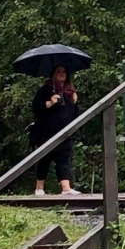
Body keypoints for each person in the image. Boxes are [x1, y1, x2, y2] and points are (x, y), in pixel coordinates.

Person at [32, 65, 82, 195]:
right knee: (44, 159)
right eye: (58, 71)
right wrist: (49, 103)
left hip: (66, 133)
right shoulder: (46, 90)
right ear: (53, 74)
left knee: (64, 160)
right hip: (46, 133)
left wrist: (74, 103)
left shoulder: (71, 92)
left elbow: (75, 113)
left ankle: (66, 188)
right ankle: (39, 188)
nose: (62, 74)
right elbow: (35, 107)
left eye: (64, 71)